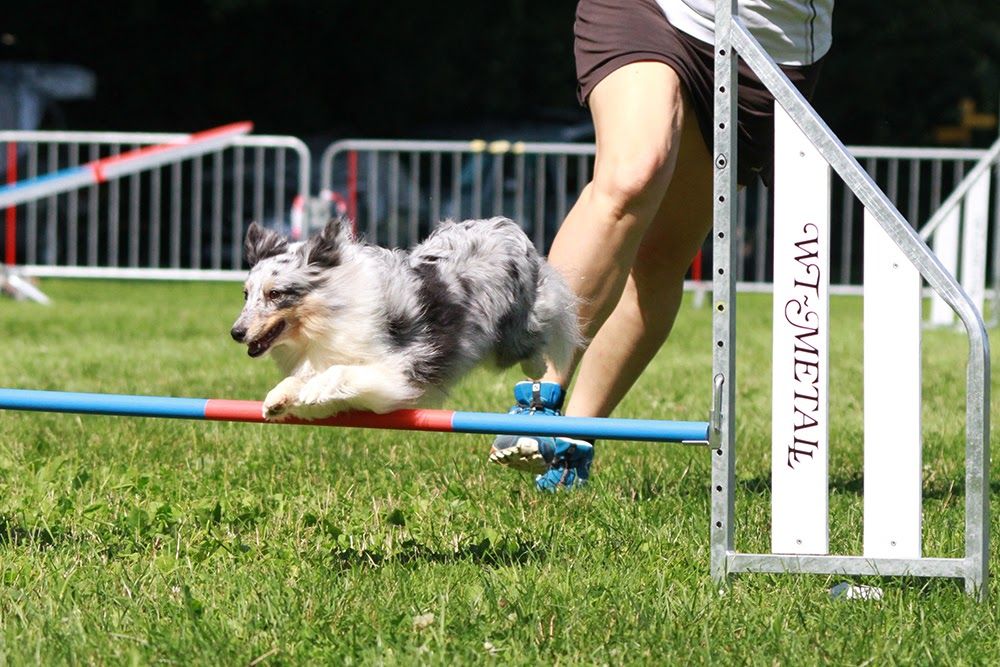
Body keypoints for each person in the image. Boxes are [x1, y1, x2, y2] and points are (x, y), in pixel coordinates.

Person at [489, 0, 834, 490]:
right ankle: (538, 395)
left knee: (659, 259)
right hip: (652, 8)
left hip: (769, 46)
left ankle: (572, 440)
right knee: (633, 173)